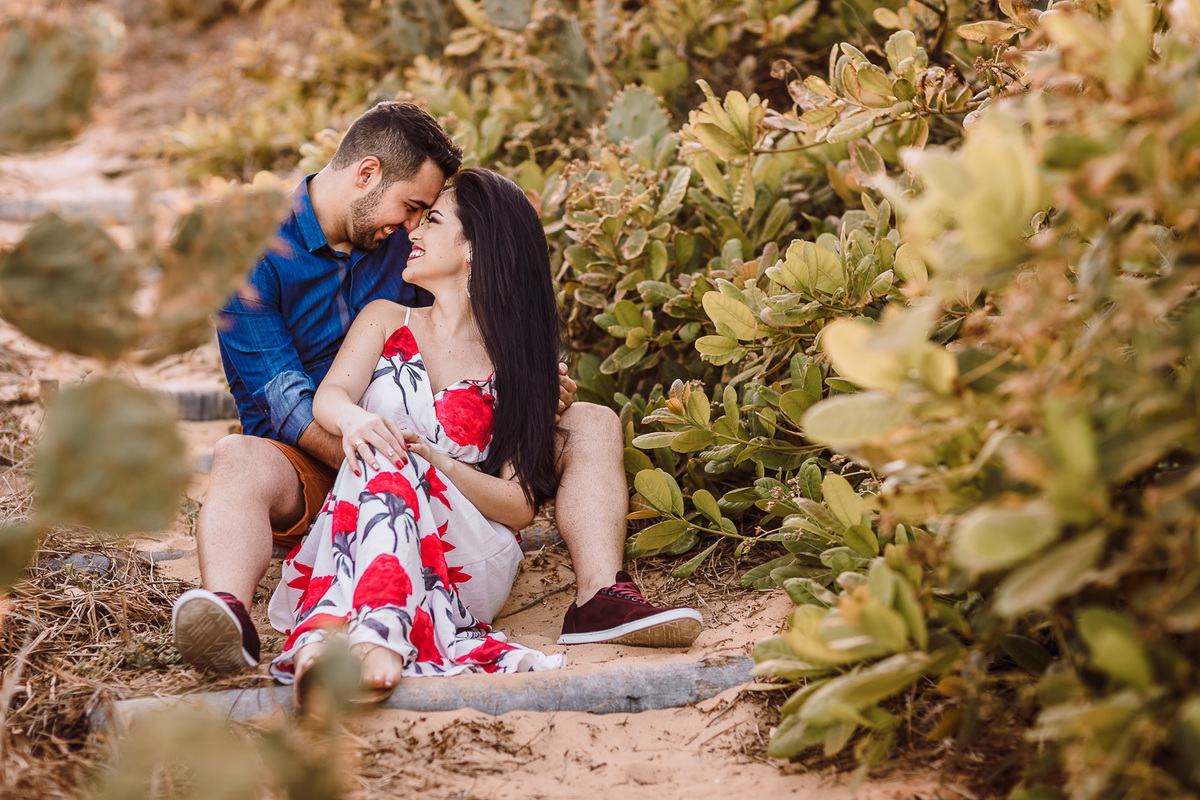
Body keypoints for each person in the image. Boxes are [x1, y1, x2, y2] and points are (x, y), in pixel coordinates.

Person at [171, 101, 702, 678]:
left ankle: (601, 595)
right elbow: (287, 405)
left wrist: (533, 389)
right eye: (413, 208)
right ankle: (227, 616)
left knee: (591, 421)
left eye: (425, 215)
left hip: (438, 457)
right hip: (318, 459)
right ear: (367, 174)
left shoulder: (403, 240)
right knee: (237, 456)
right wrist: (389, 458)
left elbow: (489, 267)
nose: (411, 227)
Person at [271, 168, 566, 700]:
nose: (413, 232)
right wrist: (358, 422)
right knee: (380, 446)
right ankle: (372, 637)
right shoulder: (384, 317)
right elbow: (330, 398)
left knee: (393, 453)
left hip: (467, 555)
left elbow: (520, 506)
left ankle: (343, 636)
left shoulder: (521, 360)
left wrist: (436, 461)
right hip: (369, 529)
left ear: (475, 246)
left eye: (431, 220)